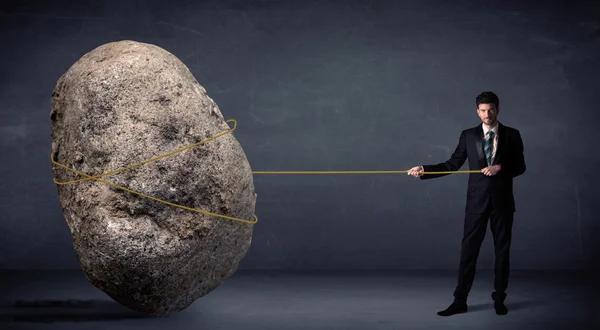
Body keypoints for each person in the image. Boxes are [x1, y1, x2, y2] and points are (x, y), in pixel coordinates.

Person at [407, 91, 526, 316]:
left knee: (502, 252)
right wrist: (425, 169)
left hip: (502, 203)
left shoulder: (512, 134)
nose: (487, 114)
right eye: (482, 110)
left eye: (491, 109)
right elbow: (453, 164)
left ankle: (500, 298)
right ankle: (460, 301)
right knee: (468, 252)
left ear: (498, 109)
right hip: (476, 203)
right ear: (477, 111)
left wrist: (499, 168)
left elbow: (520, 166)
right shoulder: (468, 135)